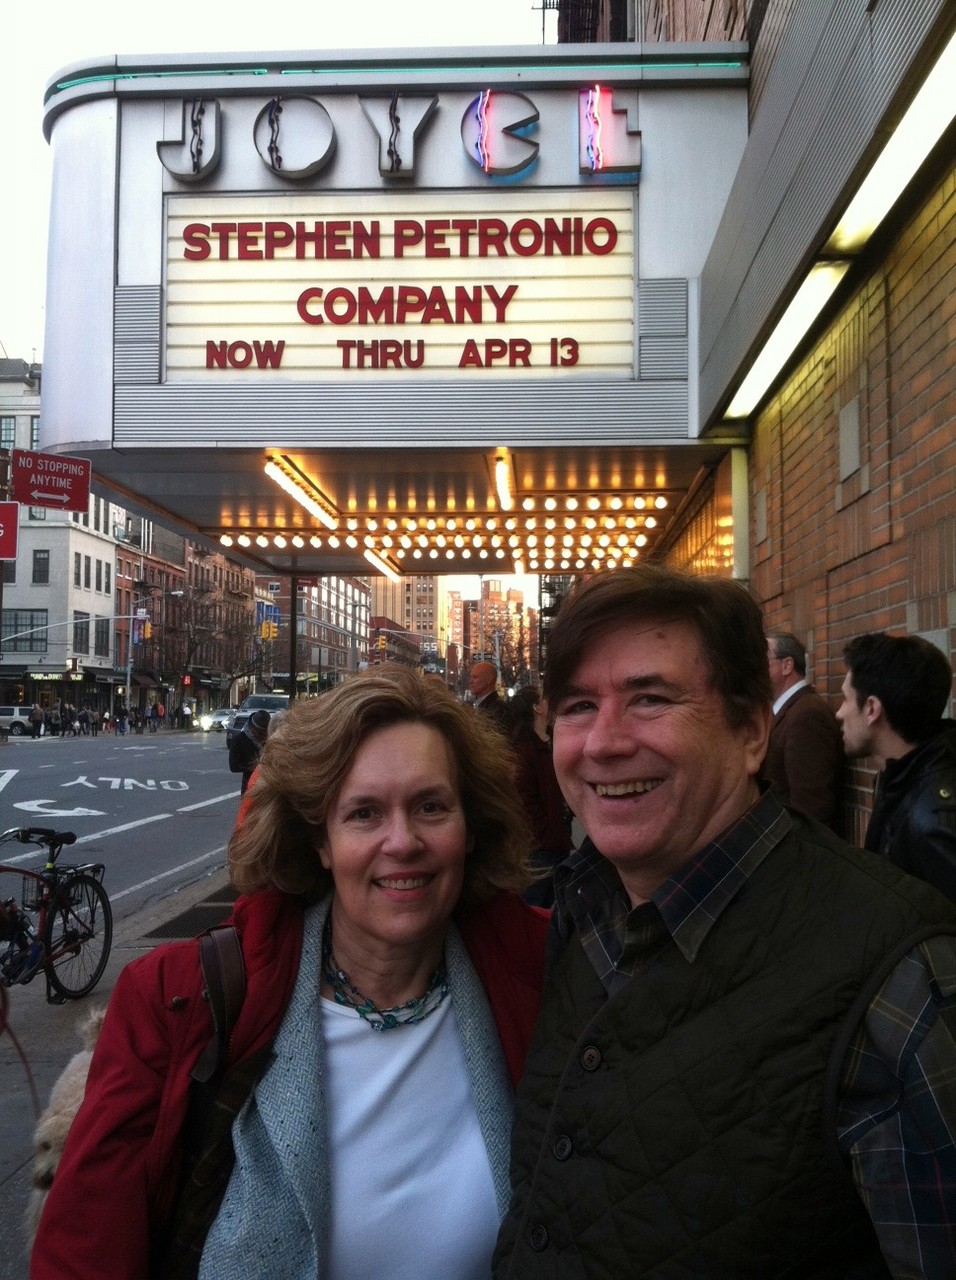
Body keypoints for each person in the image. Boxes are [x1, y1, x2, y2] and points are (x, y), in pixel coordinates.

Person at [493, 566, 956, 1279]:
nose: (604, 742)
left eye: (650, 698)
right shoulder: (582, 911)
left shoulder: (903, 981)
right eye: (578, 706)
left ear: (750, 731)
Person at [32, 667, 548, 1280]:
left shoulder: (541, 974)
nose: (402, 841)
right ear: (320, 842)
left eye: (431, 806)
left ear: (470, 828)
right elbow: (84, 1255)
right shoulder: (176, 1001)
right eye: (363, 814)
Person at [838, 631, 956, 900]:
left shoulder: (932, 822)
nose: (839, 712)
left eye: (845, 698)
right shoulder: (900, 778)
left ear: (872, 709)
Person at [761, 631, 844, 831]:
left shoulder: (807, 714)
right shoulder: (789, 709)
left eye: (763, 660)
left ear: (787, 665)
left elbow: (811, 805)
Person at [507, 686, 573, 908]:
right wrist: (549, 831)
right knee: (537, 908)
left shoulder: (551, 741)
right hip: (542, 847)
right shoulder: (525, 750)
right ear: (537, 708)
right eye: (545, 699)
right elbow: (524, 800)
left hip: (555, 840)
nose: (550, 702)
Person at [228, 708, 270, 794]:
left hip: (268, 785)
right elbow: (234, 766)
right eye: (260, 732)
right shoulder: (240, 739)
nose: (262, 735)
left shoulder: (270, 739)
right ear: (253, 728)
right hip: (250, 785)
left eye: (264, 732)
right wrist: (254, 766)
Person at [470, 661, 510, 733]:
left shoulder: (498, 710)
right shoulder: (476, 706)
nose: (471, 681)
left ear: (489, 679)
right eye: (471, 677)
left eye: (475, 677)